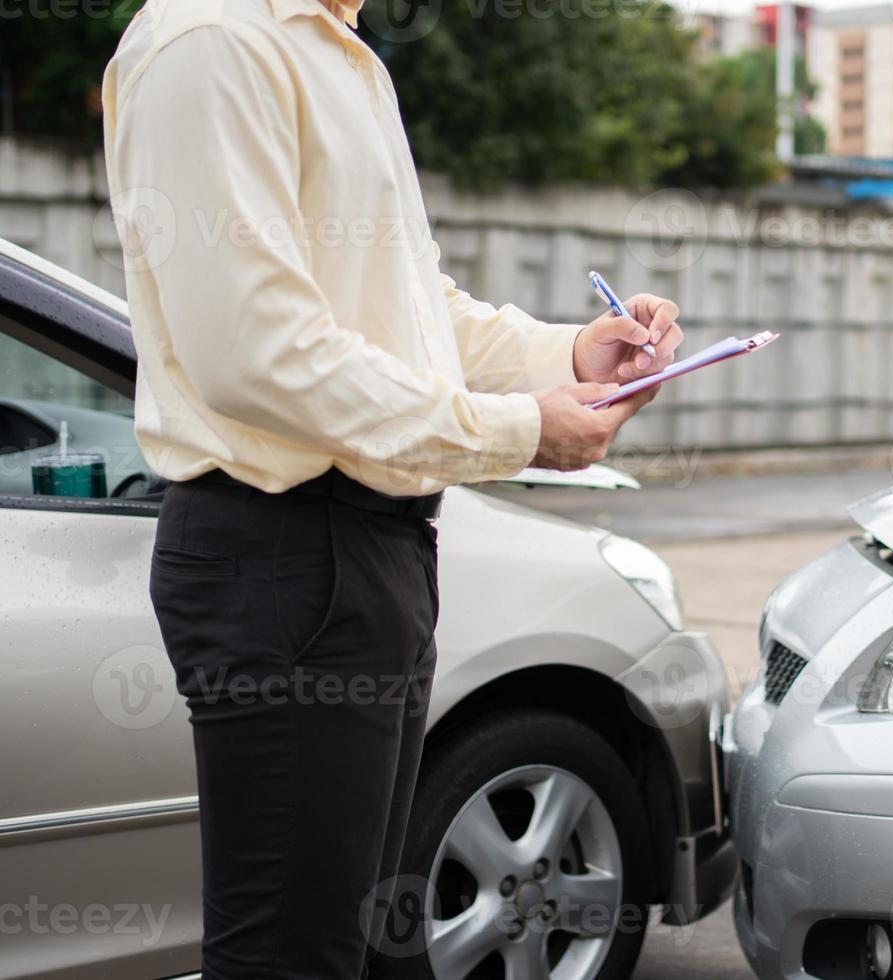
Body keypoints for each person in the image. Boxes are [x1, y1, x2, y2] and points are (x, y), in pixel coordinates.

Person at [100, 0, 682, 976]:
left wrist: (571, 349)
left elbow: (410, 309)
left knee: (344, 940)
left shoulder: (340, 50)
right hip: (287, 543)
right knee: (292, 953)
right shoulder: (212, 36)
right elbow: (254, 352)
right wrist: (519, 428)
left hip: (369, 545)